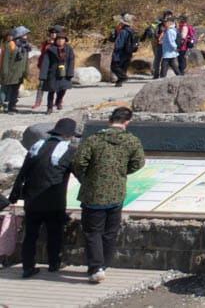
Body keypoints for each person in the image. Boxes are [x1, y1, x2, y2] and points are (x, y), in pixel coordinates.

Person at [73, 106, 145, 283]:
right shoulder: (131, 141)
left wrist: (88, 176)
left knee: (93, 232)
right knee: (110, 231)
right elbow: (139, 163)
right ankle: (104, 264)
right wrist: (121, 172)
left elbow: (78, 162)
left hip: (93, 193)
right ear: (127, 122)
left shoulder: (94, 140)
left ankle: (96, 267)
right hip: (116, 192)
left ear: (110, 119)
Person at [3, 116, 78, 277]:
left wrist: (15, 194)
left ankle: (28, 267)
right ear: (68, 135)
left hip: (32, 198)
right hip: (54, 199)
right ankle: (54, 264)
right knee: (54, 233)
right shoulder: (68, 150)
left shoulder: (37, 146)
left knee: (30, 234)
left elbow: (22, 172)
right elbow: (79, 173)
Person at [39, 31, 75, 114]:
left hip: (64, 72)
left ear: (65, 40)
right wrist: (43, 75)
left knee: (63, 89)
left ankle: (58, 101)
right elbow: (45, 62)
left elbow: (71, 61)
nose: (60, 41)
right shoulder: (50, 50)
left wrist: (70, 72)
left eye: (62, 39)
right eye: (59, 39)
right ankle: (49, 107)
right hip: (53, 73)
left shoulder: (68, 49)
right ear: (56, 40)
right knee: (51, 90)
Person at [2, 26, 32, 112]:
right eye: (24, 34)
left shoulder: (25, 46)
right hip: (10, 72)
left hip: (19, 73)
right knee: (6, 90)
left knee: (15, 90)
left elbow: (26, 60)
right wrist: (4, 73)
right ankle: (3, 105)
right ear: (19, 35)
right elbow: (5, 60)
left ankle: (12, 106)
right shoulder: (10, 45)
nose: (26, 36)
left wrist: (26, 72)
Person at [30, 27, 59, 110]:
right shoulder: (46, 43)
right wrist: (40, 64)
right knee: (41, 85)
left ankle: (57, 101)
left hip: (54, 67)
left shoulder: (59, 43)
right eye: (52, 33)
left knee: (56, 85)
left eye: (55, 33)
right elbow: (42, 54)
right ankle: (37, 102)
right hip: (45, 67)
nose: (53, 35)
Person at [110, 15, 139, 86]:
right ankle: (119, 83)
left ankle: (123, 77)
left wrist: (115, 49)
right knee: (123, 67)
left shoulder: (123, 31)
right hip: (128, 52)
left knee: (114, 66)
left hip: (120, 53)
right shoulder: (132, 31)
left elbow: (119, 43)